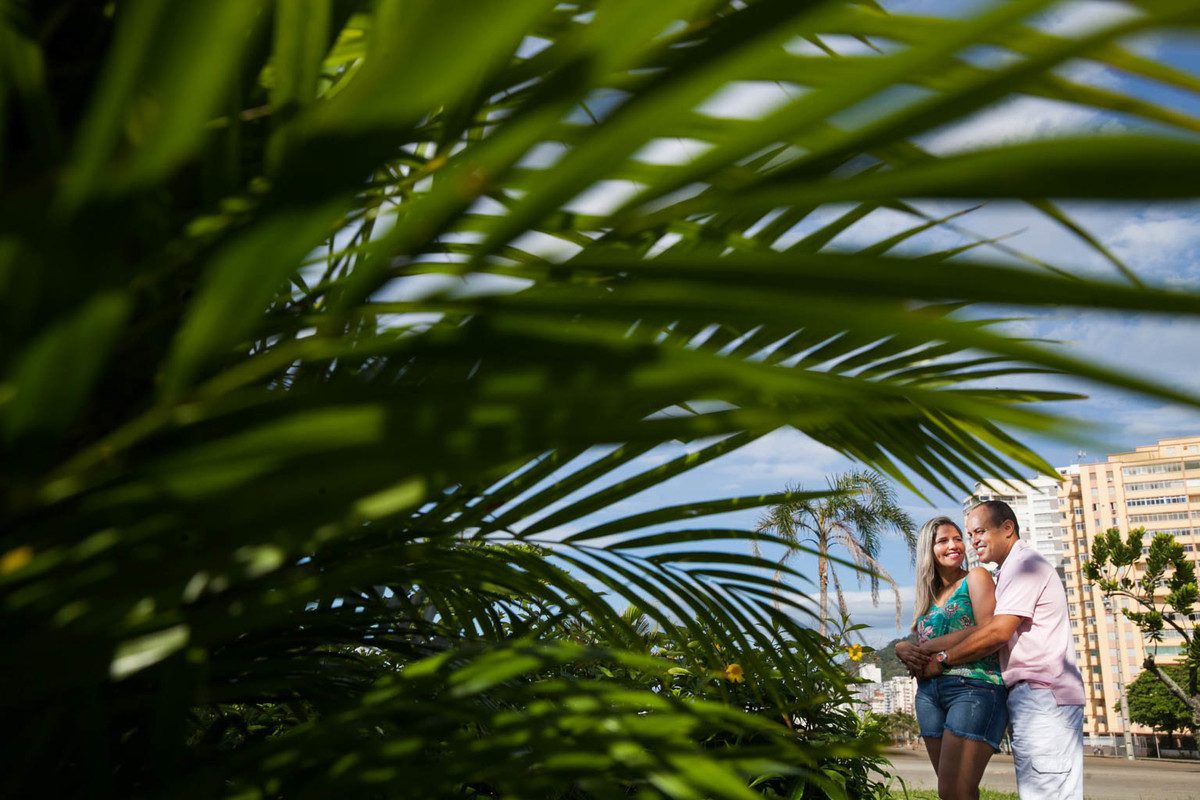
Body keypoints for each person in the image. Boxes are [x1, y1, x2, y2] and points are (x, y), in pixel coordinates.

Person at [907, 500, 1085, 800]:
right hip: (1027, 693)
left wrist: (941, 657)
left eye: (978, 532)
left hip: (1043, 692)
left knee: (1048, 792)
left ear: (1007, 528)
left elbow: (996, 631)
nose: (972, 541)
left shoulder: (1024, 566)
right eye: (971, 533)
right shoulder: (1008, 571)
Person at [896, 516, 1007, 800]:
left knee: (952, 791)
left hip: (973, 687)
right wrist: (901, 649)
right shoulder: (928, 598)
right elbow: (921, 649)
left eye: (958, 538)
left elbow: (987, 628)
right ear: (928, 550)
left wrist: (932, 645)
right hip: (929, 695)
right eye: (943, 541)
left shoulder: (976, 577)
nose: (954, 545)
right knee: (959, 792)